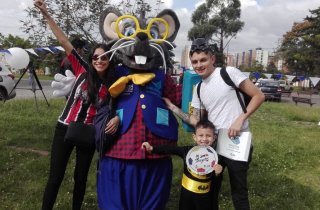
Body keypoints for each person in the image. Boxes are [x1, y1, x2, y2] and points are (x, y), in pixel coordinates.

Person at [34, 1, 119, 210]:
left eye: (104, 57)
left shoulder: (112, 85)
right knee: (55, 177)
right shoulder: (82, 70)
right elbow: (63, 40)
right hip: (64, 127)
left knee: (80, 178)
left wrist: (117, 118)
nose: (99, 60)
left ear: (109, 61)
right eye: (96, 57)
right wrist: (46, 15)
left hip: (87, 133)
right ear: (91, 59)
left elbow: (119, 106)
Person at [163, 38, 265, 210]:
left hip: (237, 143)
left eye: (203, 60)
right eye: (194, 62)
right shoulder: (199, 89)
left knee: (239, 193)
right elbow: (197, 121)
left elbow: (258, 96)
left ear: (212, 59)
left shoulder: (228, 73)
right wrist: (173, 108)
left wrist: (241, 118)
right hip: (215, 144)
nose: (199, 65)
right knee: (210, 189)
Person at [142, 120, 223, 210]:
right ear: (194, 137)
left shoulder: (215, 157)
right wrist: (152, 148)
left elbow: (216, 183)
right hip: (187, 194)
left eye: (208, 136)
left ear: (214, 137)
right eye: (201, 135)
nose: (204, 139)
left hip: (205, 196)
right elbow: (170, 149)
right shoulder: (187, 151)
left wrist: (217, 173)